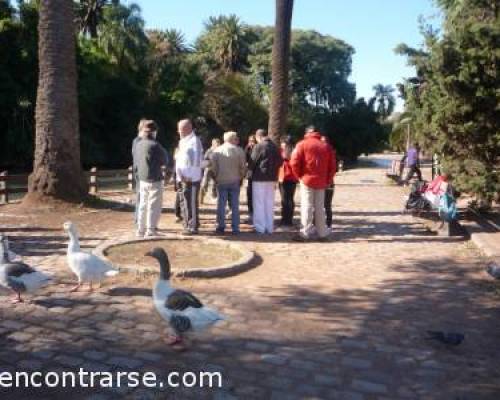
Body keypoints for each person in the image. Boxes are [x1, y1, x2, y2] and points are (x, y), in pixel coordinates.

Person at [291, 126, 336, 241]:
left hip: (307, 179)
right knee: (320, 207)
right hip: (321, 181)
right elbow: (332, 166)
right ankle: (322, 233)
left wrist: (299, 177)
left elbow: (294, 162)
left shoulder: (302, 144)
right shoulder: (326, 146)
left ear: (307, 132)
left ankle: (305, 232)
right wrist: (328, 180)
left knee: (307, 206)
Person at [133, 120, 170, 237]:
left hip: (142, 178)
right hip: (155, 178)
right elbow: (165, 160)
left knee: (143, 204)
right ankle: (151, 230)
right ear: (154, 132)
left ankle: (140, 230)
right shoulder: (155, 145)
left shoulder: (138, 144)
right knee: (153, 205)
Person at [211, 131, 247, 234]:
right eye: (235, 138)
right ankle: (235, 228)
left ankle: (221, 226)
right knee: (235, 205)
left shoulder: (217, 150)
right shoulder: (239, 151)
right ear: (232, 139)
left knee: (221, 204)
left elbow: (213, 167)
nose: (237, 140)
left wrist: (216, 177)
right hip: (235, 180)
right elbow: (243, 167)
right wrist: (241, 176)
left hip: (221, 180)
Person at [249, 129, 282, 234]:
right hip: (272, 178)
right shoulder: (275, 146)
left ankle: (260, 227)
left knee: (259, 203)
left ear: (258, 136)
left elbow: (252, 162)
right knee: (269, 203)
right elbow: (280, 162)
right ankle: (269, 227)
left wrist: (249, 172)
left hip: (259, 177)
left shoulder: (258, 146)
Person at [175, 119, 204, 235]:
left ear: (188, 128)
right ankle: (187, 223)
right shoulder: (183, 141)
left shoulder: (194, 141)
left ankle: (192, 227)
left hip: (190, 178)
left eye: (180, 129)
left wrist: (187, 176)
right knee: (184, 202)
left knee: (190, 202)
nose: (178, 131)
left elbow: (195, 161)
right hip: (182, 177)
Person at [278, 136, 298, 228]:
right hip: (290, 177)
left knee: (286, 199)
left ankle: (286, 219)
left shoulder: (287, 152)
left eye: (283, 143)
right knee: (288, 199)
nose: (281, 144)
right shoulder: (294, 151)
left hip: (286, 177)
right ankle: (287, 218)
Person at [132, 118, 148, 227]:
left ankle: (141, 220)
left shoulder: (141, 141)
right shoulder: (138, 141)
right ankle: (138, 220)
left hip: (142, 171)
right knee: (140, 196)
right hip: (140, 172)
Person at [321, 136, 337, 228]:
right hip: (322, 182)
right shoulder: (330, 152)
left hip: (328, 182)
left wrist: (328, 180)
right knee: (320, 204)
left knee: (326, 204)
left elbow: (333, 169)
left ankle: (328, 223)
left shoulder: (330, 153)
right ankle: (319, 223)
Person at [200, 138, 221, 204]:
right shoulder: (209, 151)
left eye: (218, 144)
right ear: (213, 144)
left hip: (216, 169)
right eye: (216, 144)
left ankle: (214, 196)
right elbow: (205, 159)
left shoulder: (220, 151)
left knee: (216, 183)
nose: (217, 145)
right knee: (205, 183)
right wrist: (209, 162)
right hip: (209, 169)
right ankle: (201, 196)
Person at [245, 134, 257, 223]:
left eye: (253, 141)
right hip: (250, 174)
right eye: (250, 141)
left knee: (256, 195)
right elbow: (245, 159)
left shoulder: (258, 148)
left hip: (257, 174)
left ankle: (256, 213)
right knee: (249, 194)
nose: (251, 143)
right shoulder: (248, 149)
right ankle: (250, 213)